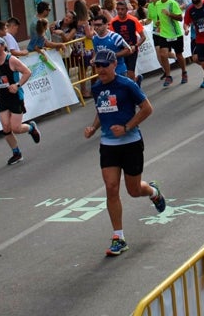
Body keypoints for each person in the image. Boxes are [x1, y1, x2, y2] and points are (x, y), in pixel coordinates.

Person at [83, 49, 167, 257]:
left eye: (104, 65)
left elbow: (147, 108)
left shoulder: (127, 85)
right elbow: (100, 109)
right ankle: (118, 237)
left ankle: (153, 192)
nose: (100, 69)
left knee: (134, 190)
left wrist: (127, 127)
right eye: (97, 66)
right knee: (111, 188)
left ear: (113, 65)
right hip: (108, 145)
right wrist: (93, 127)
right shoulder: (96, 88)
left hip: (131, 143)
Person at [0, 36, 40, 166]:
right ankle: (16, 152)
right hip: (2, 97)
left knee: (15, 128)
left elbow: (27, 72)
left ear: (2, 46)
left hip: (15, 97)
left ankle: (31, 128)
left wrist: (17, 85)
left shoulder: (11, 60)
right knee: (6, 127)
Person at [152, 0, 187, 87]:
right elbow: (160, 16)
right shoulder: (157, 4)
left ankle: (184, 72)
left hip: (175, 33)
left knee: (179, 55)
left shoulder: (173, 3)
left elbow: (180, 18)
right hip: (164, 34)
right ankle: (168, 76)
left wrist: (169, 14)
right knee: (163, 54)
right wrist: (158, 23)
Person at [109, 0, 147, 84]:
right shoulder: (113, 22)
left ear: (126, 10)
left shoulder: (133, 20)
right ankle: (136, 81)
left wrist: (135, 46)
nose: (120, 11)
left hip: (132, 50)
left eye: (122, 9)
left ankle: (133, 92)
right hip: (120, 51)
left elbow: (143, 37)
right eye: (118, 9)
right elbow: (112, 38)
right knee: (123, 74)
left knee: (130, 73)